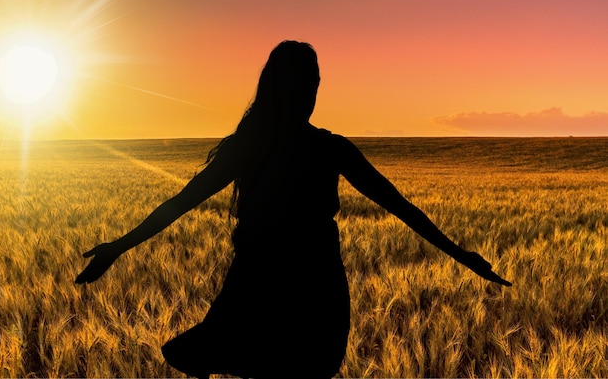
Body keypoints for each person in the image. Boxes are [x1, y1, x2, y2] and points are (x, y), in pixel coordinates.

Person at [76, 40, 511, 378]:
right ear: (290, 90)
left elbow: (178, 205)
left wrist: (120, 246)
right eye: (306, 83)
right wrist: (118, 246)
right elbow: (401, 207)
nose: (311, 92)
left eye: (314, 84)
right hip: (302, 292)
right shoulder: (323, 148)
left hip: (272, 292)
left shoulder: (255, 147)